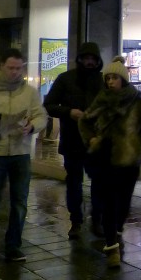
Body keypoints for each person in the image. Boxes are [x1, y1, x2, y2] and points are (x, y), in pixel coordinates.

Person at [79, 56, 141, 268]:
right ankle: (111, 246)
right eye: (108, 78)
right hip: (105, 159)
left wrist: (136, 147)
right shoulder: (101, 99)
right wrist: (91, 139)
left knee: (124, 204)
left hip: (129, 163)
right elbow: (84, 121)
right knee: (110, 204)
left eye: (114, 77)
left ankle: (117, 230)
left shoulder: (137, 101)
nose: (110, 81)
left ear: (123, 79)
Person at [0, 48, 47, 261]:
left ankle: (13, 245)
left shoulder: (29, 93)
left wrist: (31, 126)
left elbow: (41, 116)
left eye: (18, 68)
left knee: (19, 201)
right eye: (10, 68)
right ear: (2, 67)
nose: (15, 72)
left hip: (20, 152)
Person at [43, 41, 105, 239]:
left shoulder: (103, 81)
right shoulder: (66, 79)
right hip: (72, 140)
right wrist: (69, 112)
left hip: (96, 141)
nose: (89, 62)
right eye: (85, 58)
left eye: (92, 59)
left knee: (99, 184)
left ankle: (97, 220)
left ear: (97, 61)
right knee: (74, 183)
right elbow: (49, 104)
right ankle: (76, 221)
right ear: (79, 59)